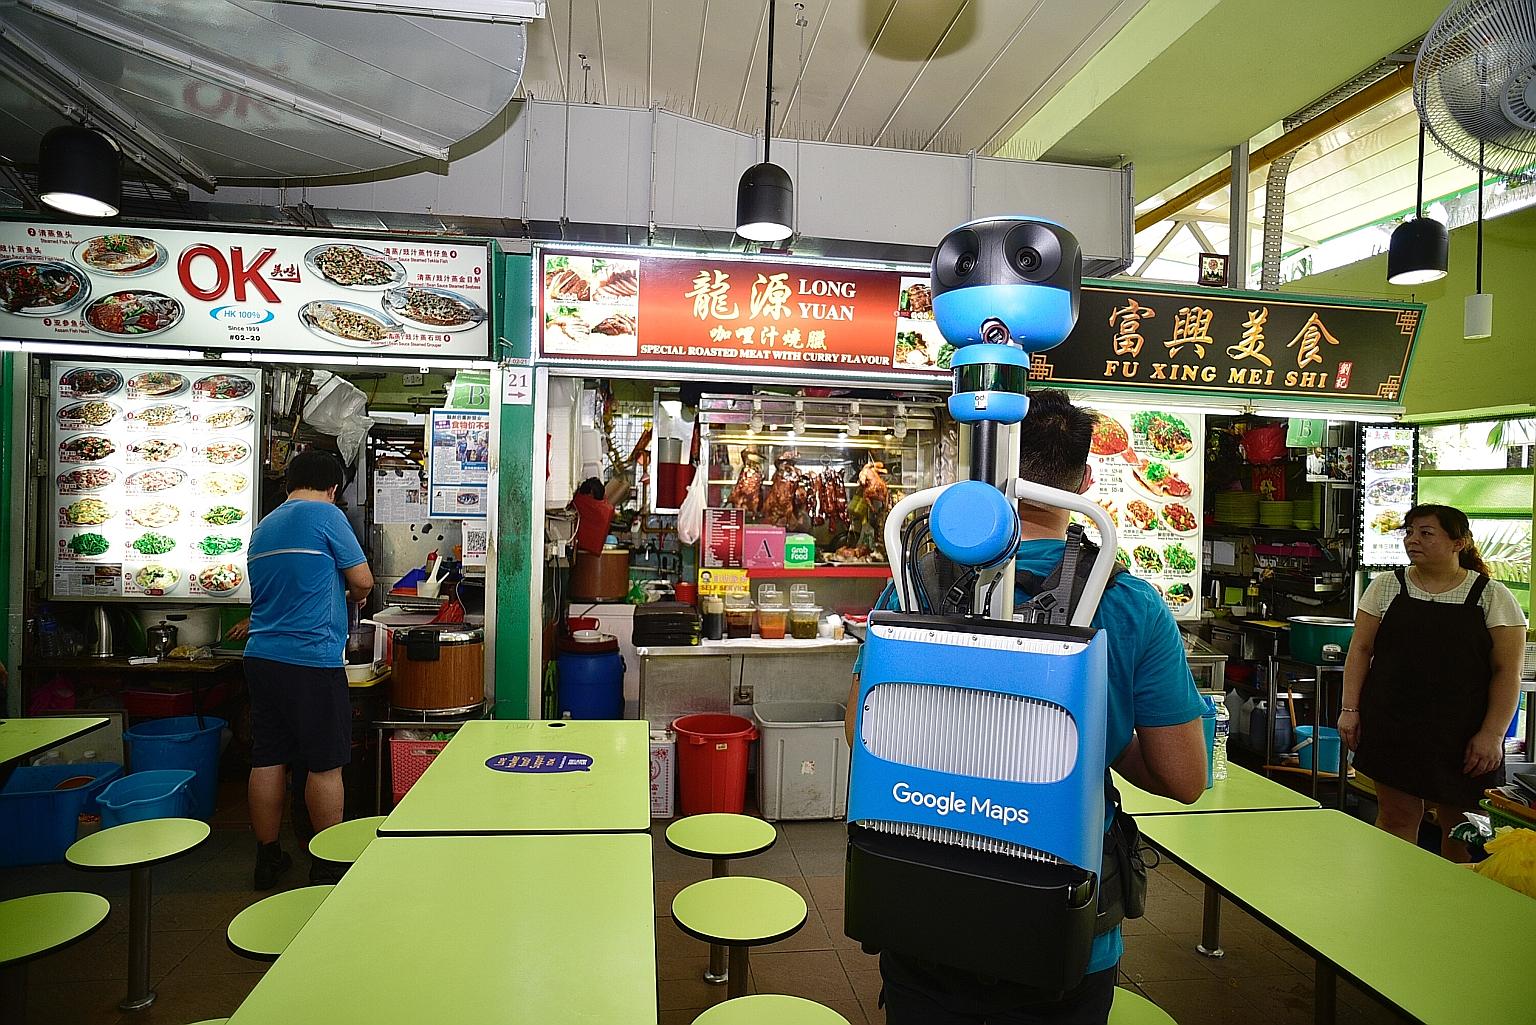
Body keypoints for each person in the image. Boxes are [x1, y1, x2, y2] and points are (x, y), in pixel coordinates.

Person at [845, 390, 1208, 1024]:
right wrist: (1100, 727)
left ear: (981, 477)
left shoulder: (916, 580)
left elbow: (863, 728)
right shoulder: (1128, 604)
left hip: (922, 902)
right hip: (1059, 925)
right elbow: (1184, 779)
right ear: (1085, 481)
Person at [1339, 504, 1524, 861]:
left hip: (1463, 732)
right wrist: (1350, 709)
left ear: (1459, 542)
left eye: (1426, 533)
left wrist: (1492, 734)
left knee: (1463, 829)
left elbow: (1507, 672)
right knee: (1397, 819)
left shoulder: (1492, 595)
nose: (1413, 540)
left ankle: (1454, 906)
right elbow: (1360, 650)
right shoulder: (1386, 586)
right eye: (1409, 532)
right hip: (1393, 724)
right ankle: (1394, 897)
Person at [244, 450, 373, 889]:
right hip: (311, 661)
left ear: (287, 484)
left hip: (260, 657)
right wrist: (353, 598)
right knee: (324, 764)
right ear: (334, 488)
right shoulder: (327, 515)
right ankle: (327, 862)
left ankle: (267, 858)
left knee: (268, 758)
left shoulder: (263, 527)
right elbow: (363, 581)